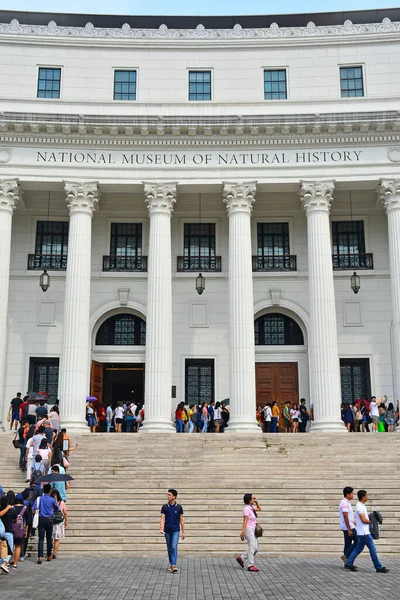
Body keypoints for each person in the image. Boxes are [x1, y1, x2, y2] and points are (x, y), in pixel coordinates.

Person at [344, 490, 389, 573]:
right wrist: (371, 520)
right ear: (363, 497)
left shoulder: (361, 505)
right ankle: (378, 567)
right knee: (373, 550)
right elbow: (363, 520)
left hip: (362, 532)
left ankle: (349, 563)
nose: (367, 497)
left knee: (358, 549)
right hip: (365, 533)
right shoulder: (360, 506)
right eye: (367, 495)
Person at [33, 483, 59, 564]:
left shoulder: (39, 498)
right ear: (50, 490)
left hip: (41, 519)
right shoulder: (52, 499)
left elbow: (34, 508)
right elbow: (57, 508)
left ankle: (40, 556)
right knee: (49, 538)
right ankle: (48, 555)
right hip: (49, 519)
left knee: (41, 538)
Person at [160, 489, 185, 573]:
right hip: (167, 530)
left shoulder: (179, 507)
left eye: (169, 495)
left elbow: (181, 520)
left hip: (175, 530)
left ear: (174, 496)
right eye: (167, 495)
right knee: (169, 548)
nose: (168, 496)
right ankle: (171, 564)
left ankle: (173, 565)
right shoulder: (165, 507)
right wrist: (161, 528)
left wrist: (183, 532)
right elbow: (162, 518)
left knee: (174, 546)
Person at [237, 493, 262, 572]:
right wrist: (242, 532)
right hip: (248, 530)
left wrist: (256, 501)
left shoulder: (251, 508)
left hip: (253, 529)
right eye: (252, 499)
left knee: (256, 548)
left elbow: (259, 508)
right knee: (252, 547)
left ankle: (241, 558)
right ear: (249, 500)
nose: (253, 500)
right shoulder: (246, 509)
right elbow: (245, 521)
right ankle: (251, 565)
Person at [339, 486, 357, 564]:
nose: (353, 495)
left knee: (348, 544)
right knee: (358, 541)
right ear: (347, 494)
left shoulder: (347, 502)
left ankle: (347, 563)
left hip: (349, 525)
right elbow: (345, 516)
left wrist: (356, 523)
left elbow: (350, 516)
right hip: (348, 527)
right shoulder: (344, 502)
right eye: (352, 493)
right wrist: (349, 529)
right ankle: (346, 556)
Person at [12, 493, 28, 568]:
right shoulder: (25, 508)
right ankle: (15, 563)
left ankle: (9, 562)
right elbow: (27, 522)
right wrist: (26, 531)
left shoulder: (12, 508)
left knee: (11, 546)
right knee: (18, 546)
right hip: (20, 530)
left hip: (11, 529)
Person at [51, 489, 67, 559]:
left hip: (52, 521)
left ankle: (50, 551)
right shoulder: (62, 503)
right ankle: (54, 553)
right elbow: (65, 513)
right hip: (59, 522)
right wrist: (66, 521)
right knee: (57, 539)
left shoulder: (51, 502)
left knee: (51, 538)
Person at [0, 498, 15, 573]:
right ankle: (4, 563)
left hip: (1, 533)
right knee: (9, 550)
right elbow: (16, 519)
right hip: (8, 532)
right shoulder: (11, 510)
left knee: (1, 550)